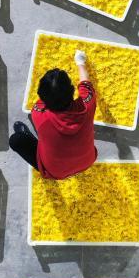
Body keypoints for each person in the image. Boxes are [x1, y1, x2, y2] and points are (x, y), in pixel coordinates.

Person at [9, 50, 97, 180]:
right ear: (72, 90)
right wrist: (80, 61)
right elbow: (85, 83)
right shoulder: (87, 106)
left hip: (56, 172)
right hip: (87, 162)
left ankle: (34, 146)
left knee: (16, 140)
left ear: (42, 96)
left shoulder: (39, 115)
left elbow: (38, 105)